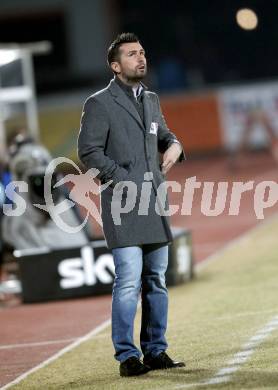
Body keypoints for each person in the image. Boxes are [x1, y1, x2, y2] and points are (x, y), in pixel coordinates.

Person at [78, 33, 186, 377]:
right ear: (115, 66)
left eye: (142, 52)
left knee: (156, 279)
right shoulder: (99, 103)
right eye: (131, 55)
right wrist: (122, 179)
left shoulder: (151, 99)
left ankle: (156, 350)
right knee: (127, 282)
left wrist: (175, 145)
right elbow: (89, 152)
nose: (140, 58)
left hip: (154, 202)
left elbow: (164, 135)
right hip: (123, 205)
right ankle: (127, 357)